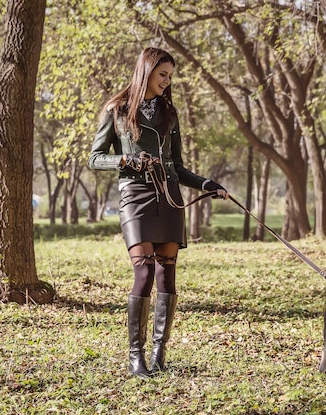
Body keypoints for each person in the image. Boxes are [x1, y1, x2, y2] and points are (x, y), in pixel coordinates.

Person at [88, 47, 228, 378]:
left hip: (168, 196)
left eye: (169, 76)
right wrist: (125, 160)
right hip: (134, 196)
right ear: (146, 71)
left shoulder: (170, 113)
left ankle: (158, 354)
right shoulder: (117, 109)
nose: (167, 81)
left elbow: (177, 165)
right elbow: (94, 157)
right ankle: (135, 357)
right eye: (162, 74)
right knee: (144, 271)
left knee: (167, 273)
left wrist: (207, 184)